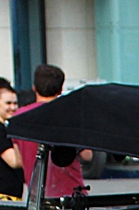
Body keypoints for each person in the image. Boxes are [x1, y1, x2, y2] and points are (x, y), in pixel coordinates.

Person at [13, 65, 93, 197]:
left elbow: (19, 159)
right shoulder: (69, 115)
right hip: (71, 194)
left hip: (38, 197)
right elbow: (87, 155)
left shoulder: (19, 117)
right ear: (60, 89)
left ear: (34, 88)